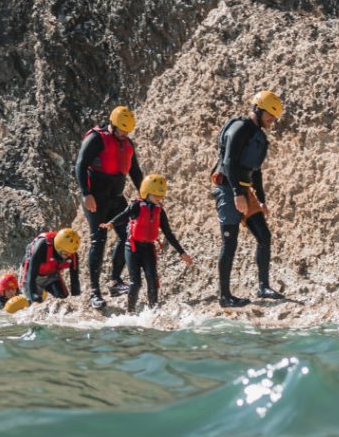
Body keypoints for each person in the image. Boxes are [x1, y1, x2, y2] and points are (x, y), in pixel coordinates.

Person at [210, 90, 284, 307]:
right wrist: (237, 194)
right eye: (270, 115)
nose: (273, 120)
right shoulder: (240, 128)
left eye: (274, 116)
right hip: (227, 188)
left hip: (244, 191)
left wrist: (261, 199)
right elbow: (230, 162)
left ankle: (263, 287)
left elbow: (256, 171)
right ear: (258, 110)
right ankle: (225, 296)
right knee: (230, 242)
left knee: (264, 235)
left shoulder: (258, 134)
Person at [76, 106, 139, 308]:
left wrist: (146, 195)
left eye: (127, 131)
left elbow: (136, 172)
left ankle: (114, 281)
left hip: (116, 198)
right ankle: (94, 291)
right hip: (96, 198)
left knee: (128, 234)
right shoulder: (96, 138)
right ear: (113, 124)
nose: (124, 134)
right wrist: (86, 194)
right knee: (99, 240)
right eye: (122, 130)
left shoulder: (128, 143)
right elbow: (80, 165)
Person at [105, 175, 192, 311]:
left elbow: (168, 233)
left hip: (148, 249)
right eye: (155, 195)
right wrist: (112, 223)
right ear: (146, 192)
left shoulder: (160, 211)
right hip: (132, 248)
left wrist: (182, 252)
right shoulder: (136, 206)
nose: (159, 198)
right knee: (136, 283)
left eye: (161, 195)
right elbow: (124, 215)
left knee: (152, 280)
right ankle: (130, 312)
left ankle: (153, 310)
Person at [20, 226, 81, 302]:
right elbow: (31, 273)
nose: (68, 256)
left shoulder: (72, 254)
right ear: (58, 247)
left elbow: (74, 279)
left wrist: (76, 299)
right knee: (33, 302)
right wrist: (33, 294)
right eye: (65, 253)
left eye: (70, 253)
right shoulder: (42, 246)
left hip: (52, 274)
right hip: (31, 275)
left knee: (63, 299)